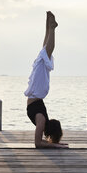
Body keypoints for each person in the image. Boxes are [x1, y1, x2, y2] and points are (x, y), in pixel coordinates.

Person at [25, 11, 67, 149]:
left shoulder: (42, 121)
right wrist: (56, 146)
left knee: (44, 53)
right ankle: (52, 27)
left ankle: (50, 26)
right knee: (46, 53)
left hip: (38, 93)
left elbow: (39, 143)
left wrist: (55, 144)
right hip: (38, 92)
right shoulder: (42, 121)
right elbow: (38, 144)